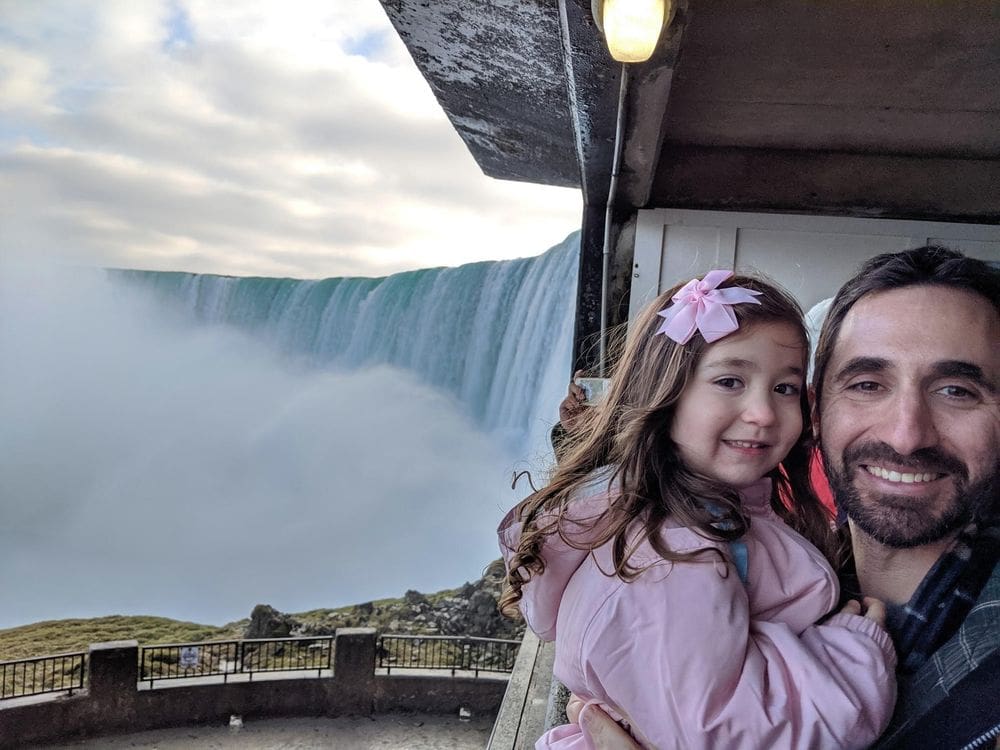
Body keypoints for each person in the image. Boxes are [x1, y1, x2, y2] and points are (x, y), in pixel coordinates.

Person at [566, 246, 1000, 749]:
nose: (907, 435)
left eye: (956, 391)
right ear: (816, 414)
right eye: (866, 384)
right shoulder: (775, 572)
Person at [498, 271, 897, 749]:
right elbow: (726, 736)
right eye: (730, 381)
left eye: (785, 388)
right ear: (666, 396)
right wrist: (854, 653)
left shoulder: (710, 521)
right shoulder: (669, 558)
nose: (764, 413)